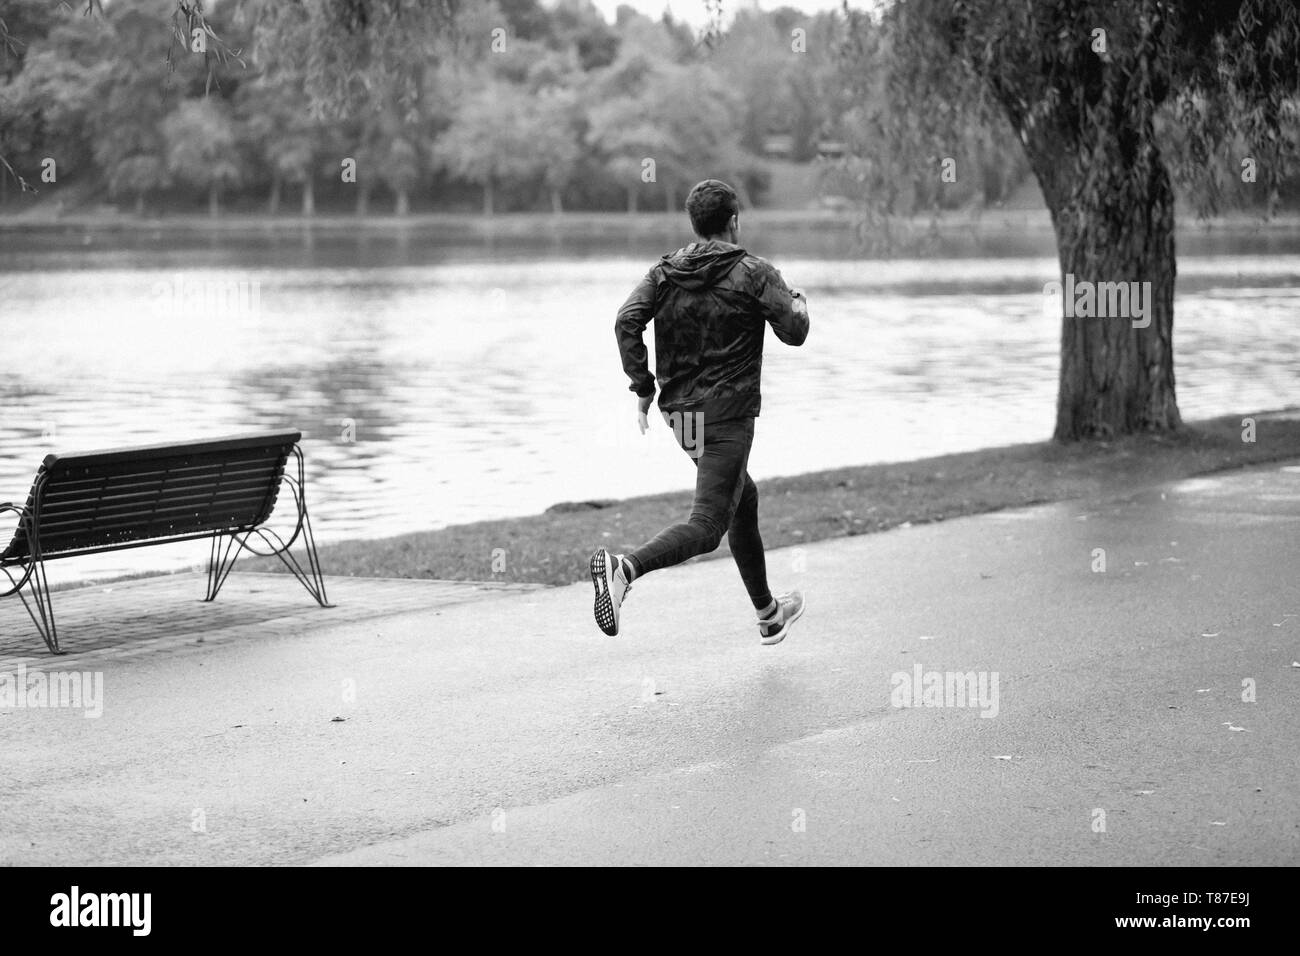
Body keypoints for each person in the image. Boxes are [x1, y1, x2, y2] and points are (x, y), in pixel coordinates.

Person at [590, 178, 810, 645]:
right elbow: (794, 333)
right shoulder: (754, 271)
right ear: (733, 221)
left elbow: (626, 321)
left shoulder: (664, 273)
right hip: (727, 416)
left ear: (695, 223)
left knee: (741, 500)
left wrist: (642, 387)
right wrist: (799, 305)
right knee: (709, 523)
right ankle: (624, 569)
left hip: (682, 417)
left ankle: (769, 614)